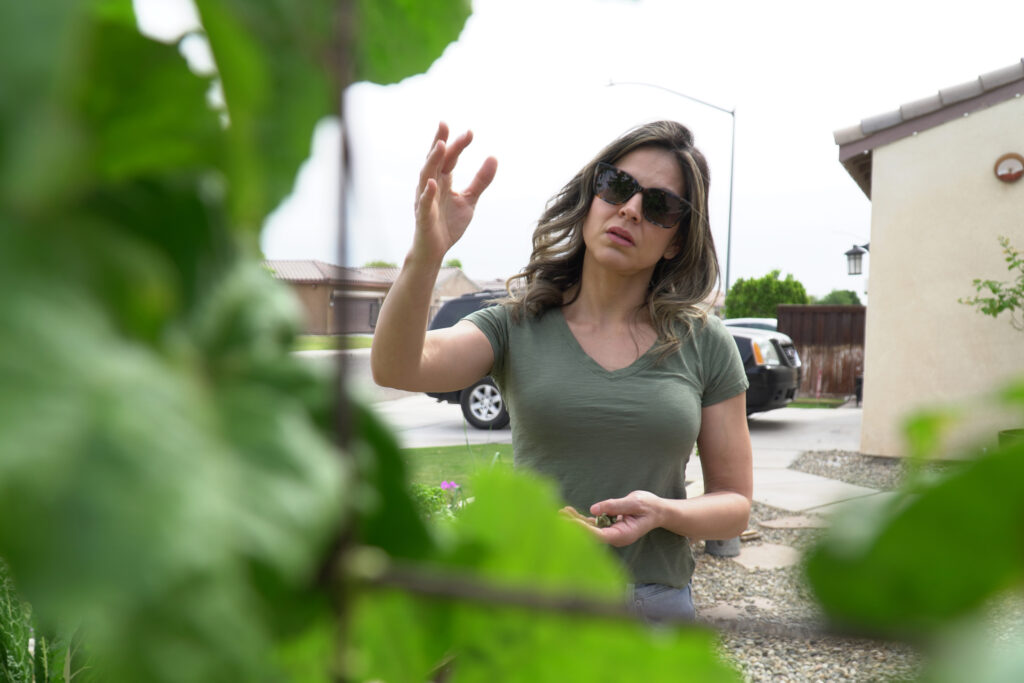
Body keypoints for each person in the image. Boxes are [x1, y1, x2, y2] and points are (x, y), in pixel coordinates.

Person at [371, 120, 752, 623]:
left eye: (660, 206)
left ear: (676, 241)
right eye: (618, 185)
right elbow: (398, 366)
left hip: (654, 609)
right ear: (593, 195)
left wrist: (663, 513)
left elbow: (734, 503)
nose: (631, 209)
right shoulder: (515, 323)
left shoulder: (704, 340)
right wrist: (426, 255)